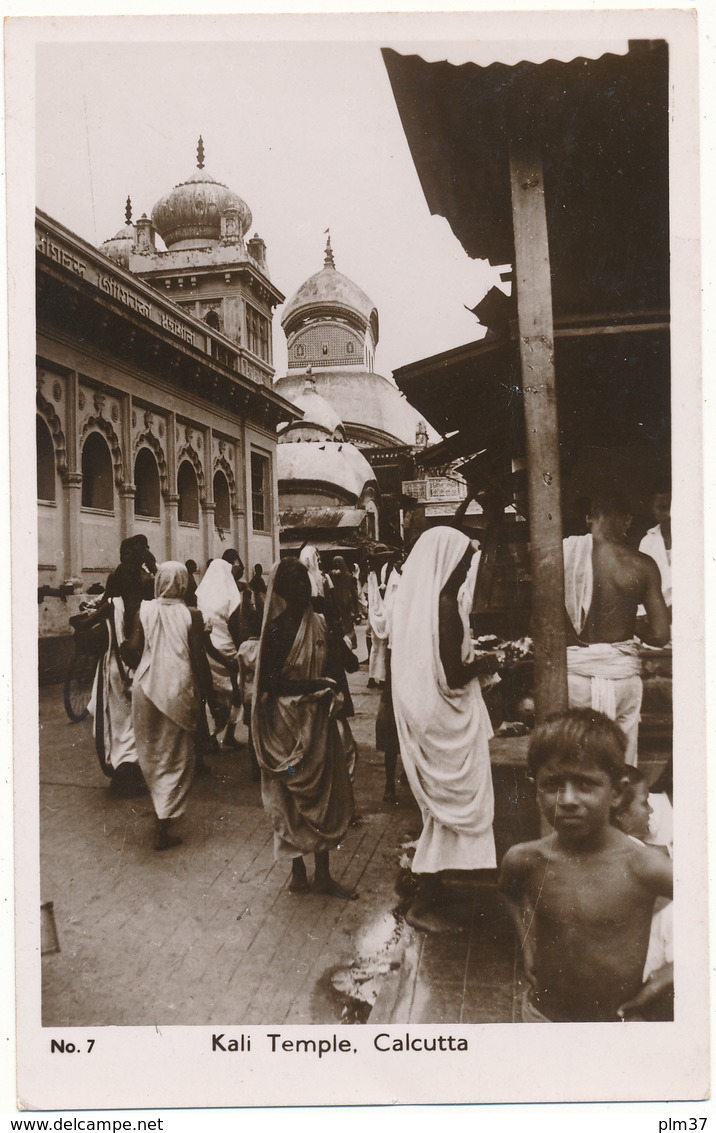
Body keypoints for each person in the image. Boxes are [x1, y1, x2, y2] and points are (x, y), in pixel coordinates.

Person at [498, 709, 673, 1022]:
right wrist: (527, 942)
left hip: (613, 1026)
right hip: (543, 1018)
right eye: (552, 785)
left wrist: (667, 977)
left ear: (617, 792)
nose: (567, 799)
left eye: (585, 785)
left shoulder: (644, 866)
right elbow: (509, 893)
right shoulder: (525, 860)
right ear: (536, 789)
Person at [390, 526, 498, 932]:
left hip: (426, 716)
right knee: (450, 811)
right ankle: (425, 902)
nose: (466, 569)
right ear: (445, 563)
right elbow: (453, 676)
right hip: (445, 721)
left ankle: (435, 890)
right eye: (464, 562)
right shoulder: (446, 605)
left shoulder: (419, 606)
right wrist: (489, 664)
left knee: (438, 815)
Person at [252, 557, 356, 898]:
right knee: (291, 797)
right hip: (287, 722)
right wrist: (312, 686)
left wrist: (336, 698)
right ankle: (298, 871)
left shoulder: (322, 623)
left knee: (324, 796)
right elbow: (270, 685)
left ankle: (323, 874)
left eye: (304, 579)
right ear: (280, 590)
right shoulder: (277, 630)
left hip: (319, 719)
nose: (301, 586)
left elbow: (336, 667)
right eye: (293, 582)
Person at [562, 493, 670, 764]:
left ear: (589, 519)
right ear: (628, 521)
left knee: (574, 760)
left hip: (575, 679)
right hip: (622, 678)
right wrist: (625, 618)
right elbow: (659, 635)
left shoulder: (563, 557)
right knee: (619, 763)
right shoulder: (643, 564)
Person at [121, 562, 218, 850]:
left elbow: (133, 649)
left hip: (146, 688)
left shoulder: (144, 610)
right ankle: (163, 823)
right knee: (176, 757)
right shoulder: (193, 615)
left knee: (151, 753)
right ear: (184, 584)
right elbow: (199, 661)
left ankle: (160, 812)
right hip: (177, 688)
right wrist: (207, 696)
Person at [87, 536, 156, 797]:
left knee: (119, 724)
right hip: (135, 666)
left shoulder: (112, 601)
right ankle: (130, 777)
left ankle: (120, 774)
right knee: (133, 724)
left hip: (112, 666)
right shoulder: (144, 605)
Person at [611, 765, 674, 1020]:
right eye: (644, 804)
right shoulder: (641, 863)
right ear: (621, 815)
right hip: (629, 972)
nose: (649, 811)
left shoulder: (619, 846)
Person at [195, 553, 245, 747]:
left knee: (212, 694)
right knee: (236, 690)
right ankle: (230, 734)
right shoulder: (230, 597)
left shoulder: (202, 595)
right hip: (227, 650)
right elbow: (235, 626)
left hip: (208, 649)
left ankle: (212, 736)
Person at [639, 482, 672, 612]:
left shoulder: (691, 538)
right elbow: (642, 587)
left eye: (670, 507)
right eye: (661, 507)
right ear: (652, 508)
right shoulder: (647, 542)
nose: (668, 513)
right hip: (655, 615)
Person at [329, 555, 359, 648]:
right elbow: (354, 594)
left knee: (345, 626)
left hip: (343, 604)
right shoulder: (347, 575)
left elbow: (353, 594)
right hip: (343, 603)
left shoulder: (334, 575)